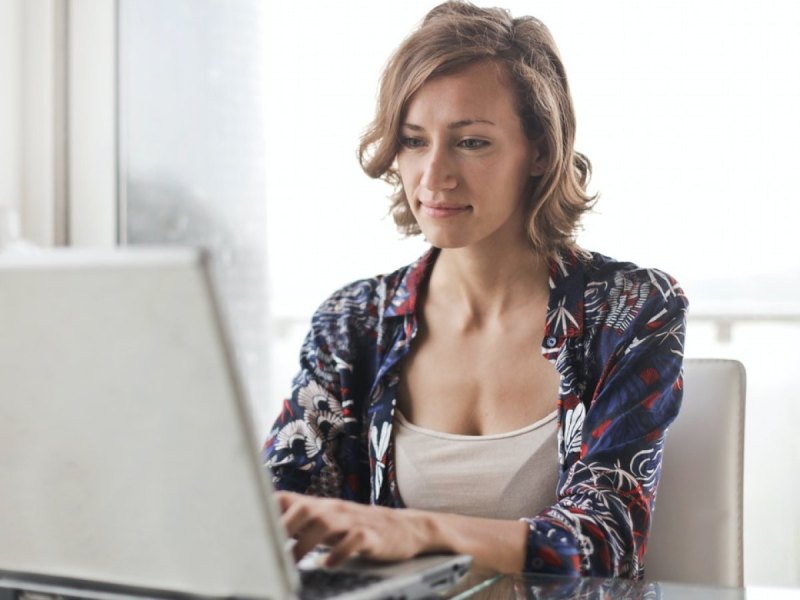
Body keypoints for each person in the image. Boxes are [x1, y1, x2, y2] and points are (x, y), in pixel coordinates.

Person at [262, 0, 688, 580]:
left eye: (472, 143)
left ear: (539, 151)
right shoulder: (355, 321)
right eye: (413, 141)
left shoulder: (630, 309)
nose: (434, 176)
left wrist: (418, 530)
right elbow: (275, 511)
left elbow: (608, 540)